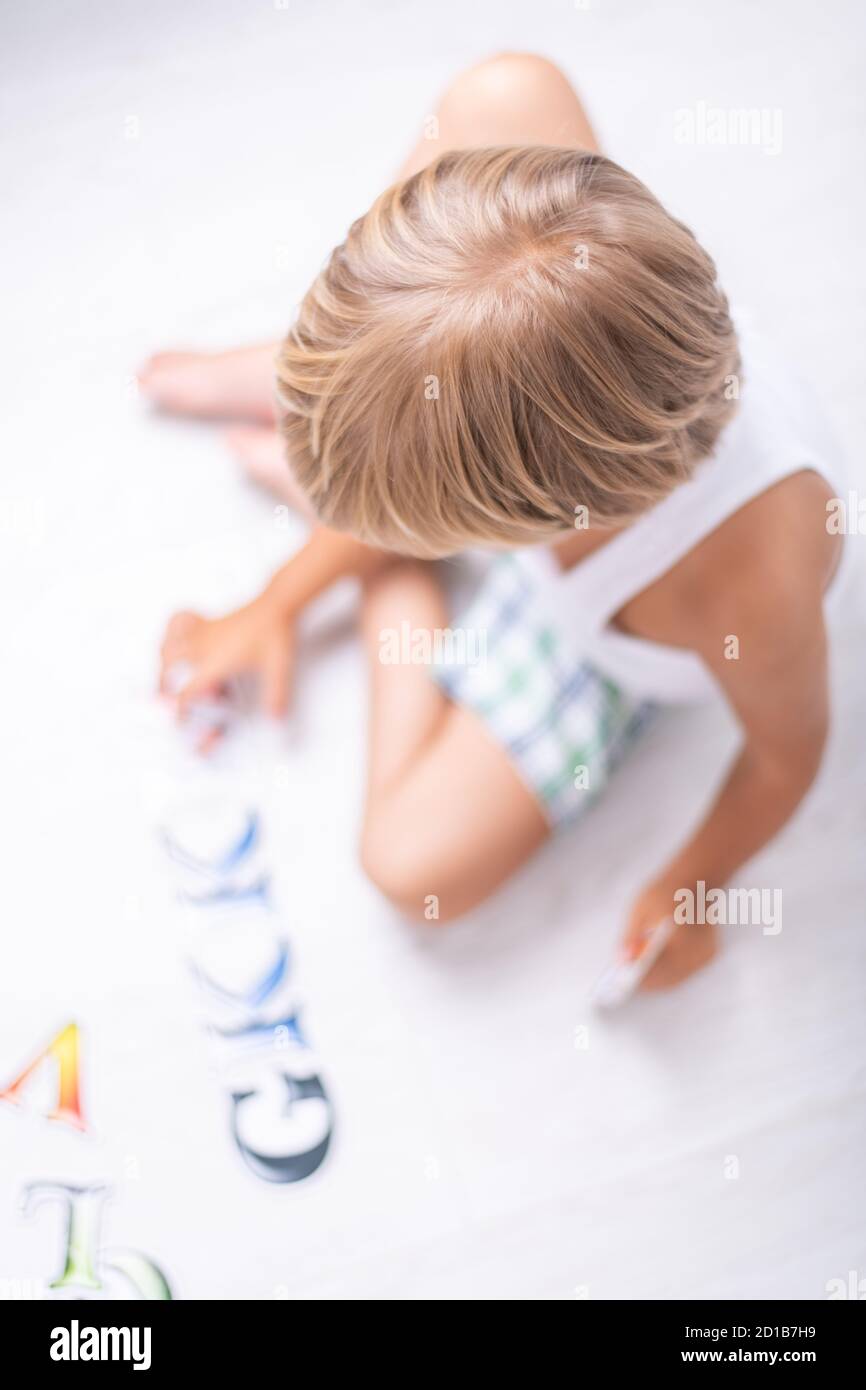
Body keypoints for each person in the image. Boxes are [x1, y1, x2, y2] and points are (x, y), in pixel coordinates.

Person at [142, 54, 848, 990]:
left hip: (609, 627)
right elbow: (475, 428)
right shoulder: (528, 134)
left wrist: (696, 884)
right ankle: (352, 396)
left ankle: (401, 588)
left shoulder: (742, 591)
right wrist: (275, 603)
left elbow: (786, 759)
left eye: (412, 522)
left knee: (409, 865)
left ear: (519, 526)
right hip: (546, 411)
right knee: (501, 93)